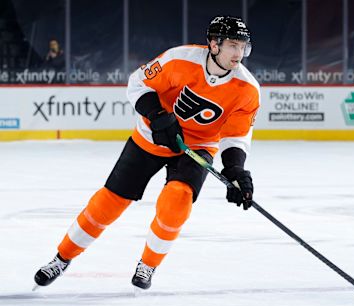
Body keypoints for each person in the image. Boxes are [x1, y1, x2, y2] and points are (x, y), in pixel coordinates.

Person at [33, 15, 260, 290]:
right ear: (214, 44)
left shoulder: (247, 89)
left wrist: (236, 170)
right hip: (151, 138)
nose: (239, 53)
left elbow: (236, 136)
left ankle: (148, 265)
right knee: (108, 203)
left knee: (177, 201)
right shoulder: (180, 60)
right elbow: (137, 83)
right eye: (233, 45)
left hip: (196, 149)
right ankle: (62, 257)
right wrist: (157, 115)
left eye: (243, 46)